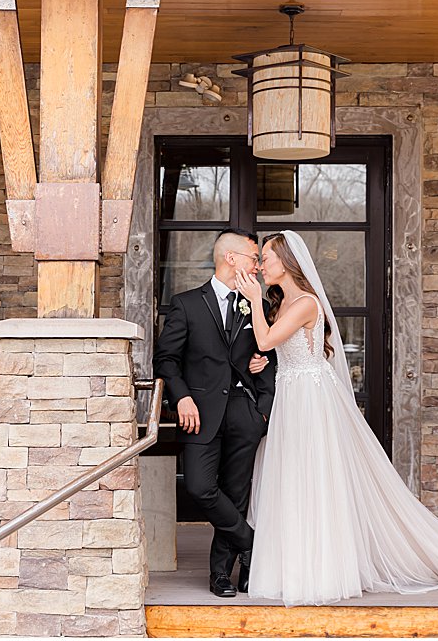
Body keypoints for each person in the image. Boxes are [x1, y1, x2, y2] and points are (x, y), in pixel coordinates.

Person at [235, 230, 438, 606]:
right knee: (293, 476)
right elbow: (277, 349)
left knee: (317, 477)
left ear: (287, 262)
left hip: (311, 400)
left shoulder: (305, 302)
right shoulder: (282, 302)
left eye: (268, 257)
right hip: (292, 395)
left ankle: (323, 571)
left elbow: (267, 340)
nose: (262, 265)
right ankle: (292, 566)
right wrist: (263, 349)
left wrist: (254, 301)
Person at [153, 228, 277, 598]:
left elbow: (271, 357)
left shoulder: (257, 304)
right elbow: (166, 359)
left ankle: (223, 575)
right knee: (200, 487)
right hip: (200, 413)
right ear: (231, 259)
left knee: (236, 494)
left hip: (245, 413)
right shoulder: (187, 304)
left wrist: (264, 410)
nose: (257, 266)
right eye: (254, 258)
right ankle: (250, 541)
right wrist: (182, 398)